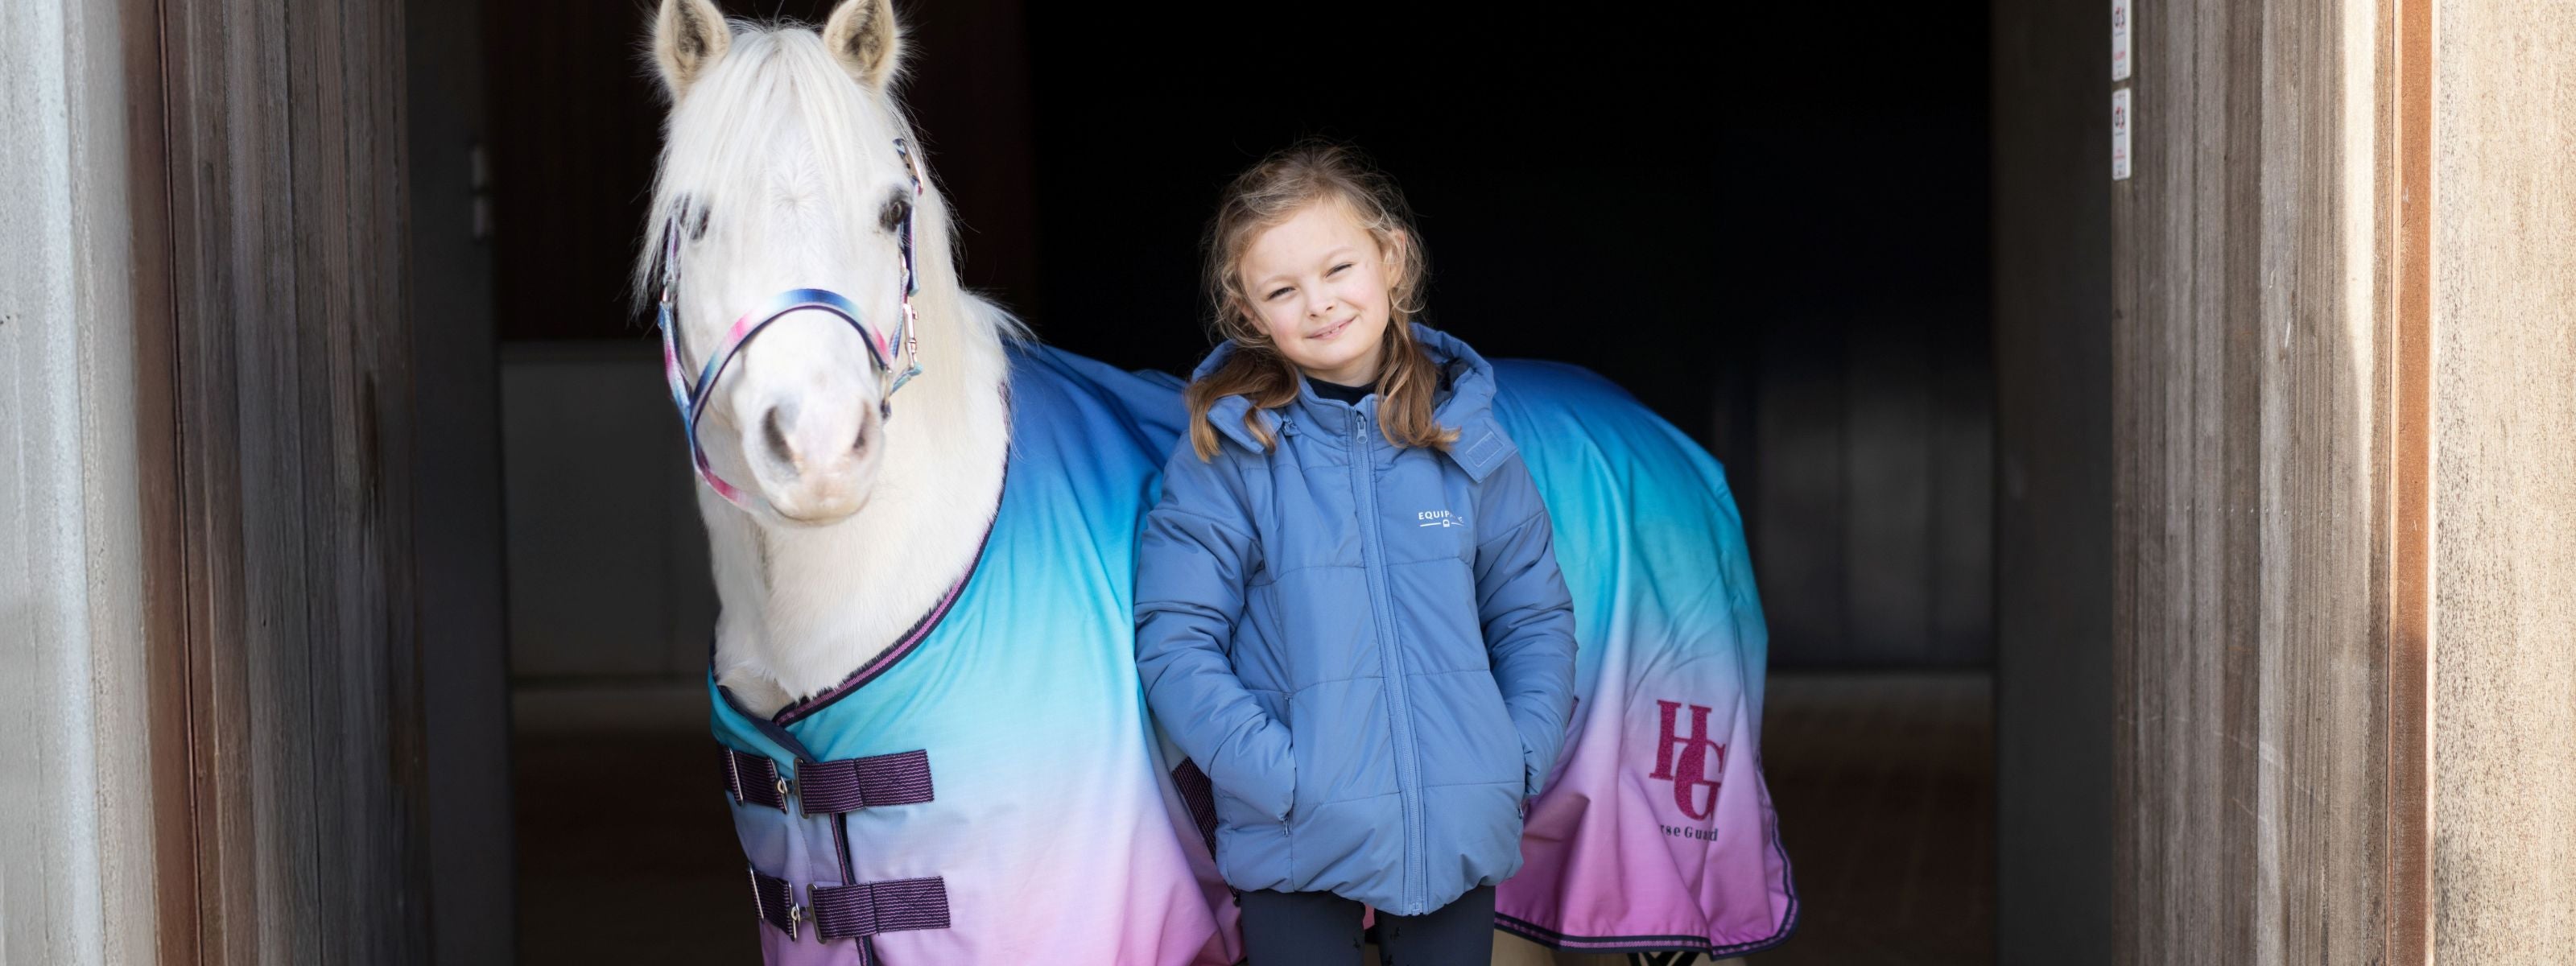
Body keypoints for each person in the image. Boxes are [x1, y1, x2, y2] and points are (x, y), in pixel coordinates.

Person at [1133, 142, 1579, 965]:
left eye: (1338, 268)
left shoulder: (1468, 439)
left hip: (1454, 819)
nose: (1319, 303)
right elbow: (1175, 641)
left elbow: (1532, 616)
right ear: (1248, 313)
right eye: (1282, 289)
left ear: (1391, 259)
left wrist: (1509, 760)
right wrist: (1284, 783)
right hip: (1295, 836)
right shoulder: (1228, 453)